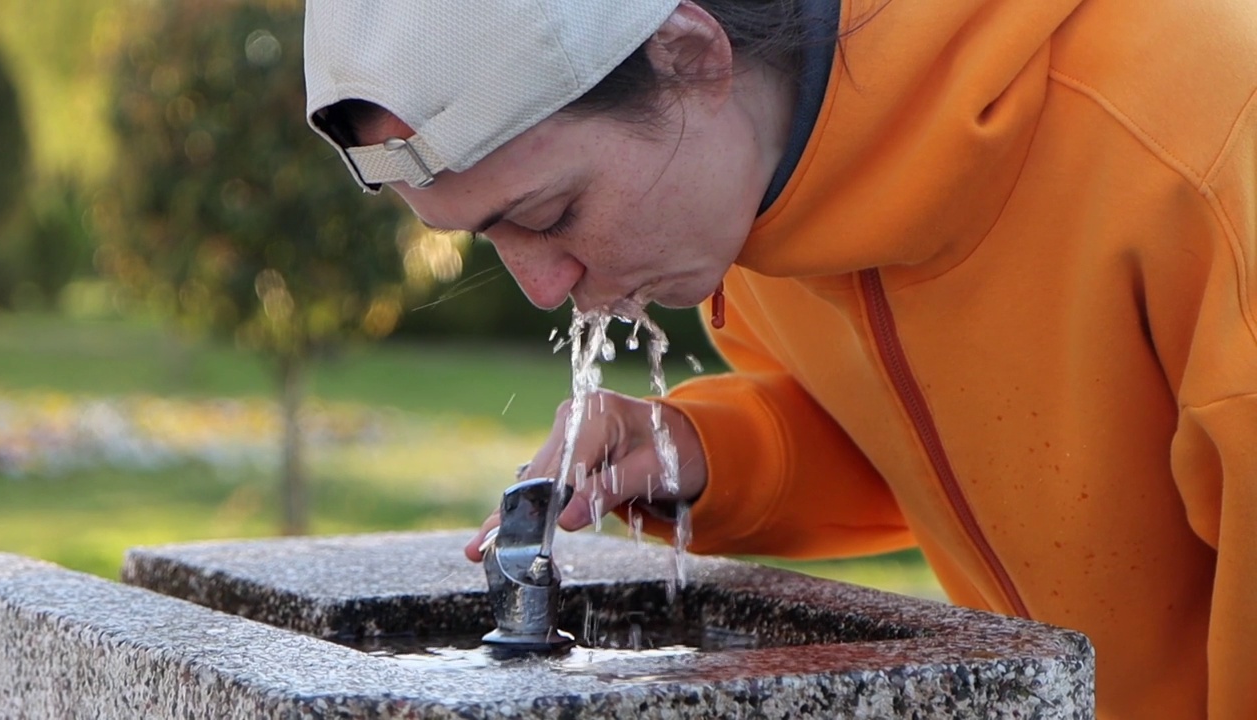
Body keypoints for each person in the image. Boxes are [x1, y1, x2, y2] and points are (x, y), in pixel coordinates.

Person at [303, 0, 1256, 717]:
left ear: (688, 55)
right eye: (484, 236)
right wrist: (695, 451)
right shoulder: (757, 185)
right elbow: (965, 436)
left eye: (551, 214)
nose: (542, 286)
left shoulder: (1199, 140)